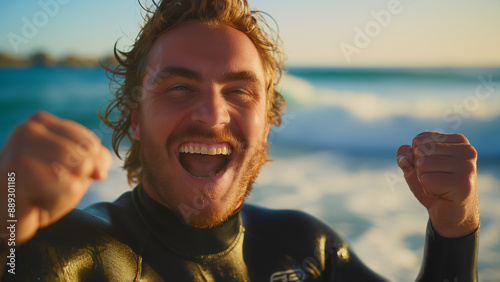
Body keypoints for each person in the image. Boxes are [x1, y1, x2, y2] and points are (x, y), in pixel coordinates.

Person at [1, 0, 479, 281]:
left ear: (268, 121)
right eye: (179, 87)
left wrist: (455, 224)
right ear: (135, 122)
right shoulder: (77, 254)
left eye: (238, 91)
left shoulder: (305, 247)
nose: (211, 115)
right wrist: (7, 212)